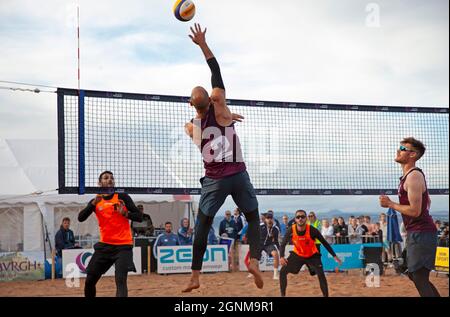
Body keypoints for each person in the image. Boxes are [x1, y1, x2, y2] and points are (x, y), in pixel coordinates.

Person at [182, 23, 263, 292]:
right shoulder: (223, 108)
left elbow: (190, 125)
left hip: (215, 181)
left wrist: (192, 115)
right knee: (253, 217)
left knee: (202, 225)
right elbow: (215, 69)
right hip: (238, 175)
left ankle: (195, 276)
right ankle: (255, 262)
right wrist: (202, 43)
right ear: (213, 98)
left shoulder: (195, 128)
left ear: (194, 105)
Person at [379, 137, 440, 297]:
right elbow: (427, 202)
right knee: (414, 274)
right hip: (417, 232)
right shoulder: (408, 177)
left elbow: (415, 211)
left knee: (419, 277)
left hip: (422, 233)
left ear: (413, 154)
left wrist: (391, 204)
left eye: (402, 148)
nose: (398, 150)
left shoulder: (413, 176)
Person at [78, 171, 143, 297]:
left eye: (112, 178)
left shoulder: (122, 197)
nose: (110, 180)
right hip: (105, 246)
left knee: (120, 281)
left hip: (123, 246)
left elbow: (140, 217)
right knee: (90, 281)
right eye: (106, 178)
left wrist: (126, 214)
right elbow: (80, 218)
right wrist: (92, 205)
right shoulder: (96, 200)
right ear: (99, 183)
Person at [279, 210, 342, 297]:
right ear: (295, 219)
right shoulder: (291, 229)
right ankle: (282, 295)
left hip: (312, 255)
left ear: (306, 218)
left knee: (321, 274)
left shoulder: (312, 230)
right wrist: (281, 256)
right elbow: (283, 244)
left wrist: (334, 256)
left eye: (302, 217)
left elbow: (324, 242)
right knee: (282, 271)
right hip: (298, 254)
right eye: (298, 217)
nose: (300, 218)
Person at [260, 212, 280, 280]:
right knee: (253, 256)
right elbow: (254, 235)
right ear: (265, 219)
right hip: (259, 244)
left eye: (271, 218)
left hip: (269, 245)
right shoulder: (260, 226)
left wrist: (280, 249)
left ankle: (275, 274)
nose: (269, 220)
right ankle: (252, 273)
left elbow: (276, 240)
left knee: (275, 254)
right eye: (267, 218)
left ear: (273, 219)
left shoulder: (275, 228)